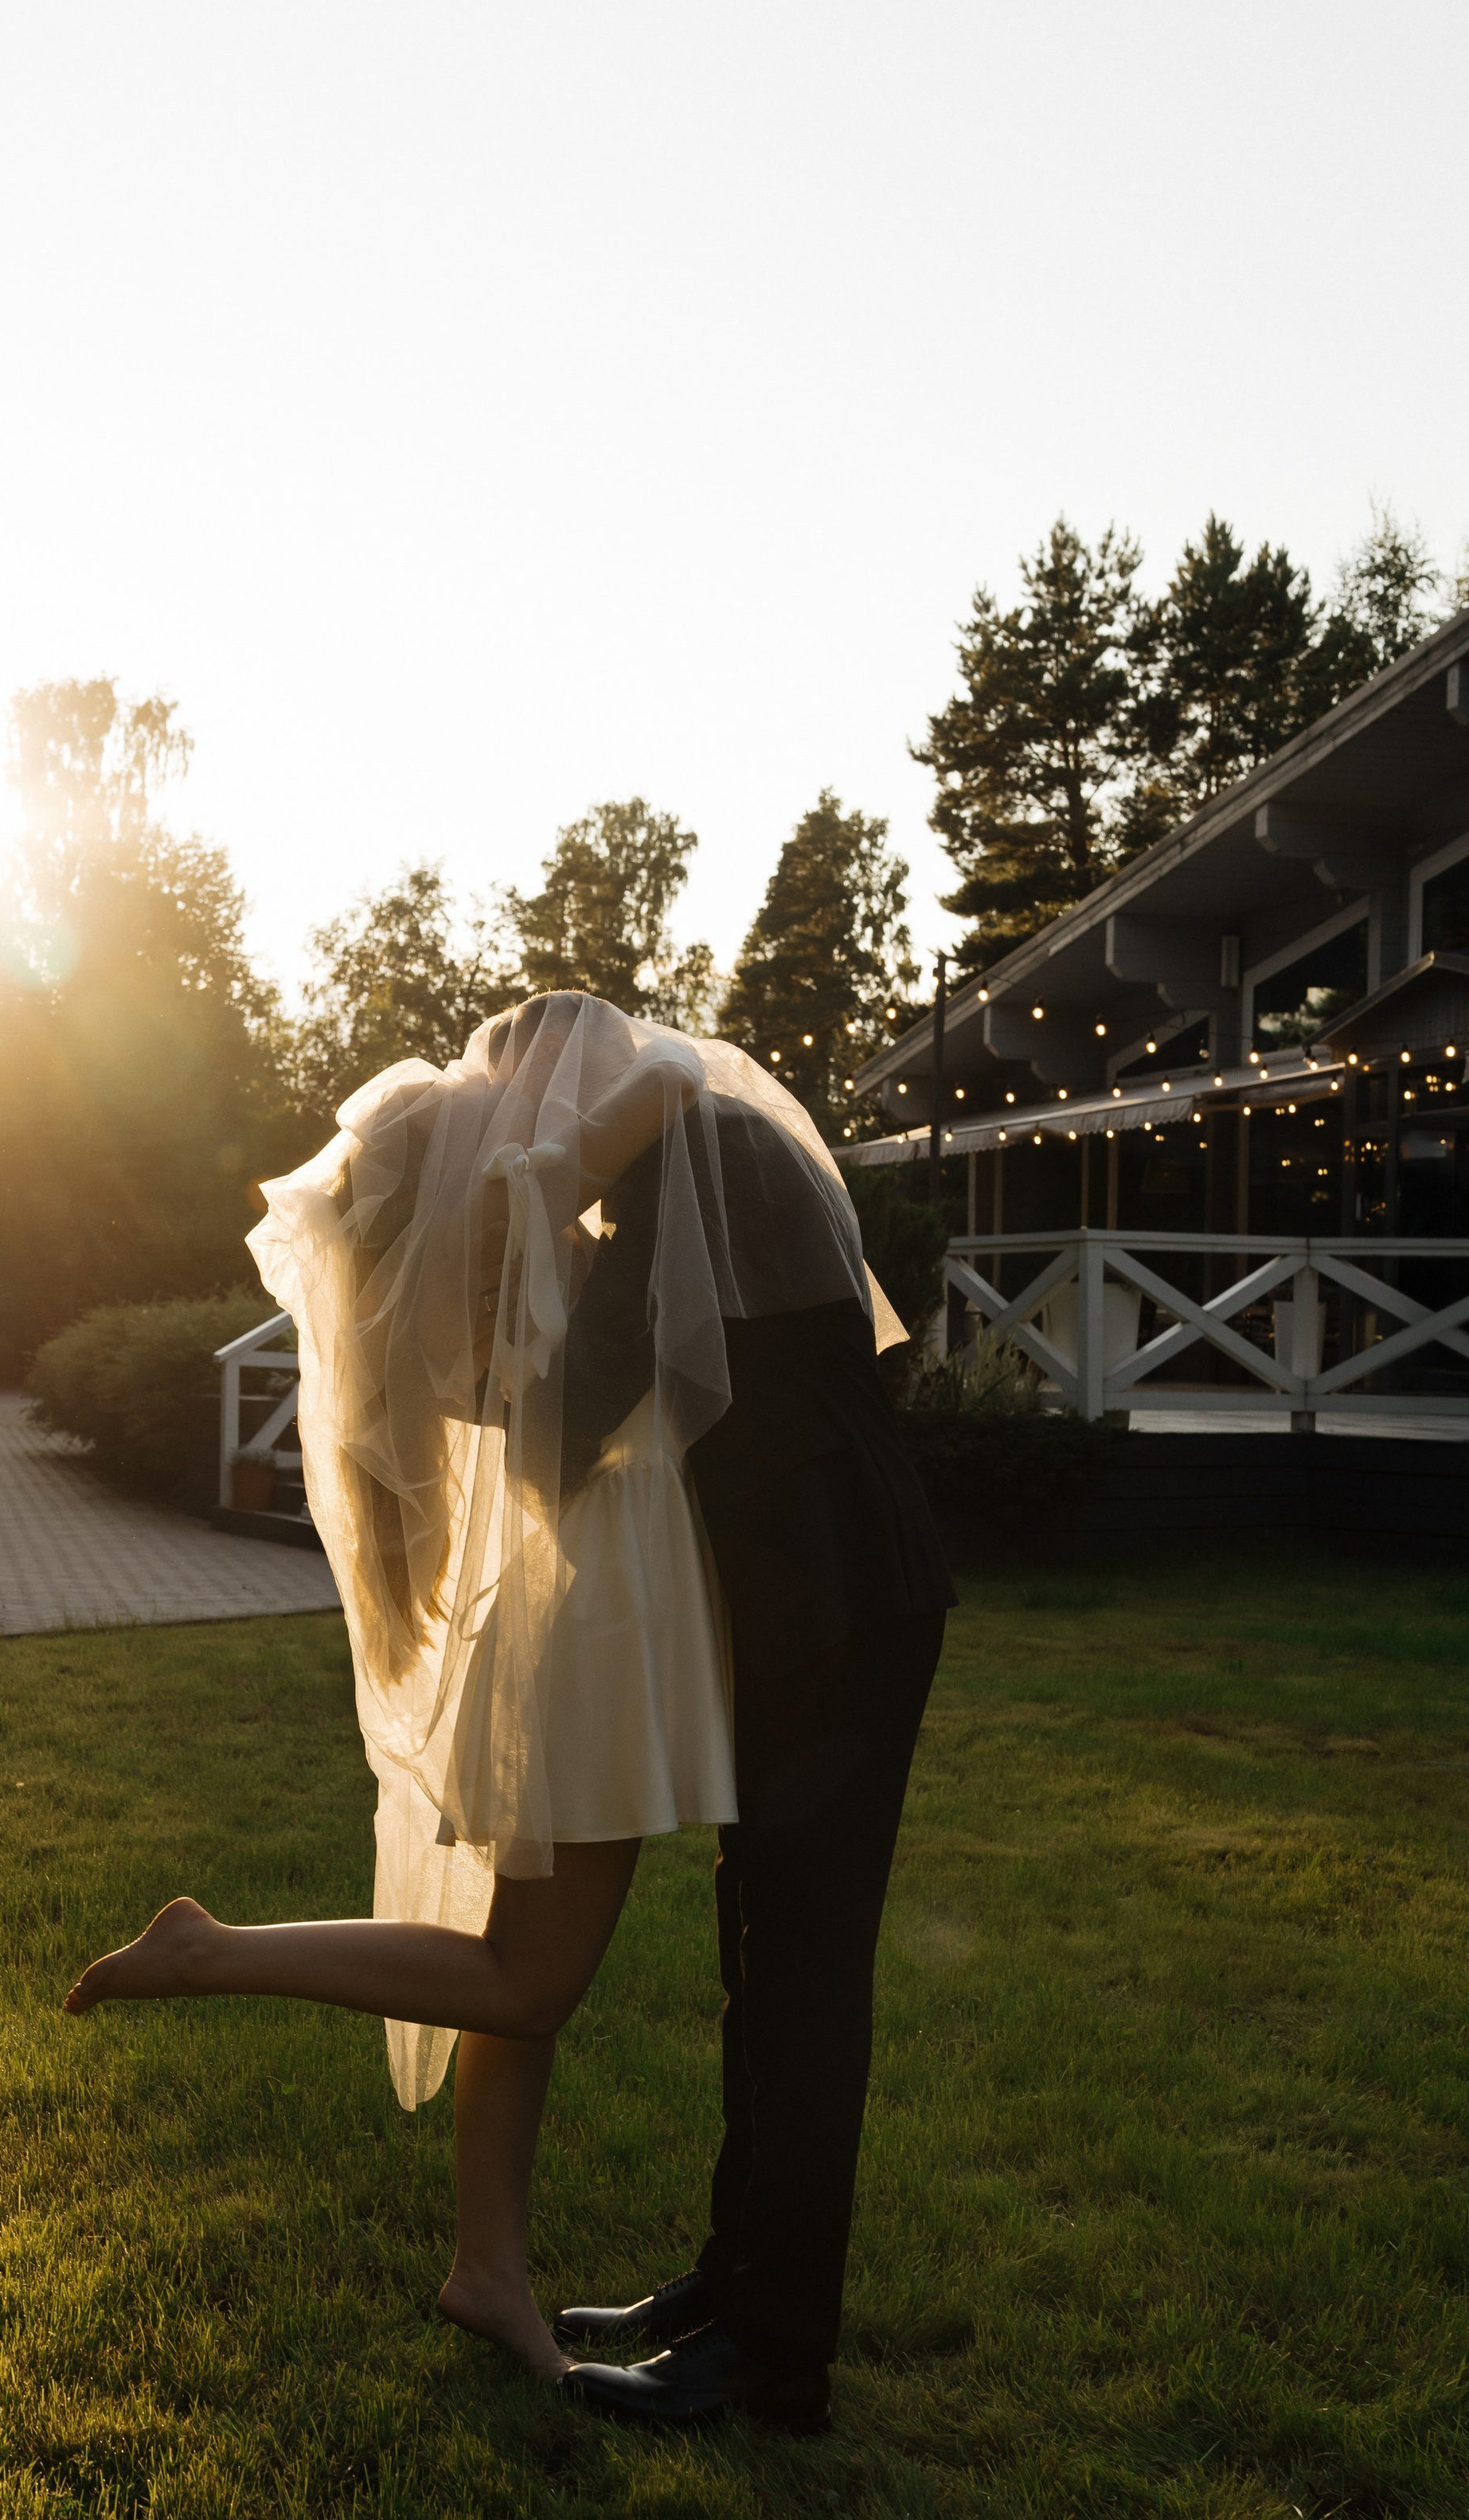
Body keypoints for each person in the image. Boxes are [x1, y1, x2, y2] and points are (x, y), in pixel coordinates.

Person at [64, 992, 952, 2429]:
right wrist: (521, 1223)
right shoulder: (657, 1179)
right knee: (759, 1964)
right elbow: (585, 1410)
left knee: (798, 1984)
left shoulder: (701, 1147)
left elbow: (595, 1354)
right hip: (789, 1610)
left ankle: (774, 2348)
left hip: (837, 1605)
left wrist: (526, 1200)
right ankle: (733, 2289)